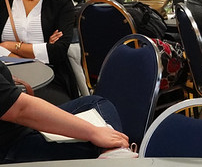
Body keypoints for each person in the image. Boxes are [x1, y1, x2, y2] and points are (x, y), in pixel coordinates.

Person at [0, 59, 132, 162]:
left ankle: (114, 151)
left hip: (17, 125)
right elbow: (19, 109)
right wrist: (93, 132)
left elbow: (57, 49)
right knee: (94, 146)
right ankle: (115, 153)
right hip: (10, 145)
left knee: (94, 102)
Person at [0, 0, 78, 104]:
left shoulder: (61, 2)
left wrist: (10, 46)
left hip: (49, 81)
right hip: (5, 81)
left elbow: (57, 52)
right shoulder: (3, 0)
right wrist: (41, 50)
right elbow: (49, 51)